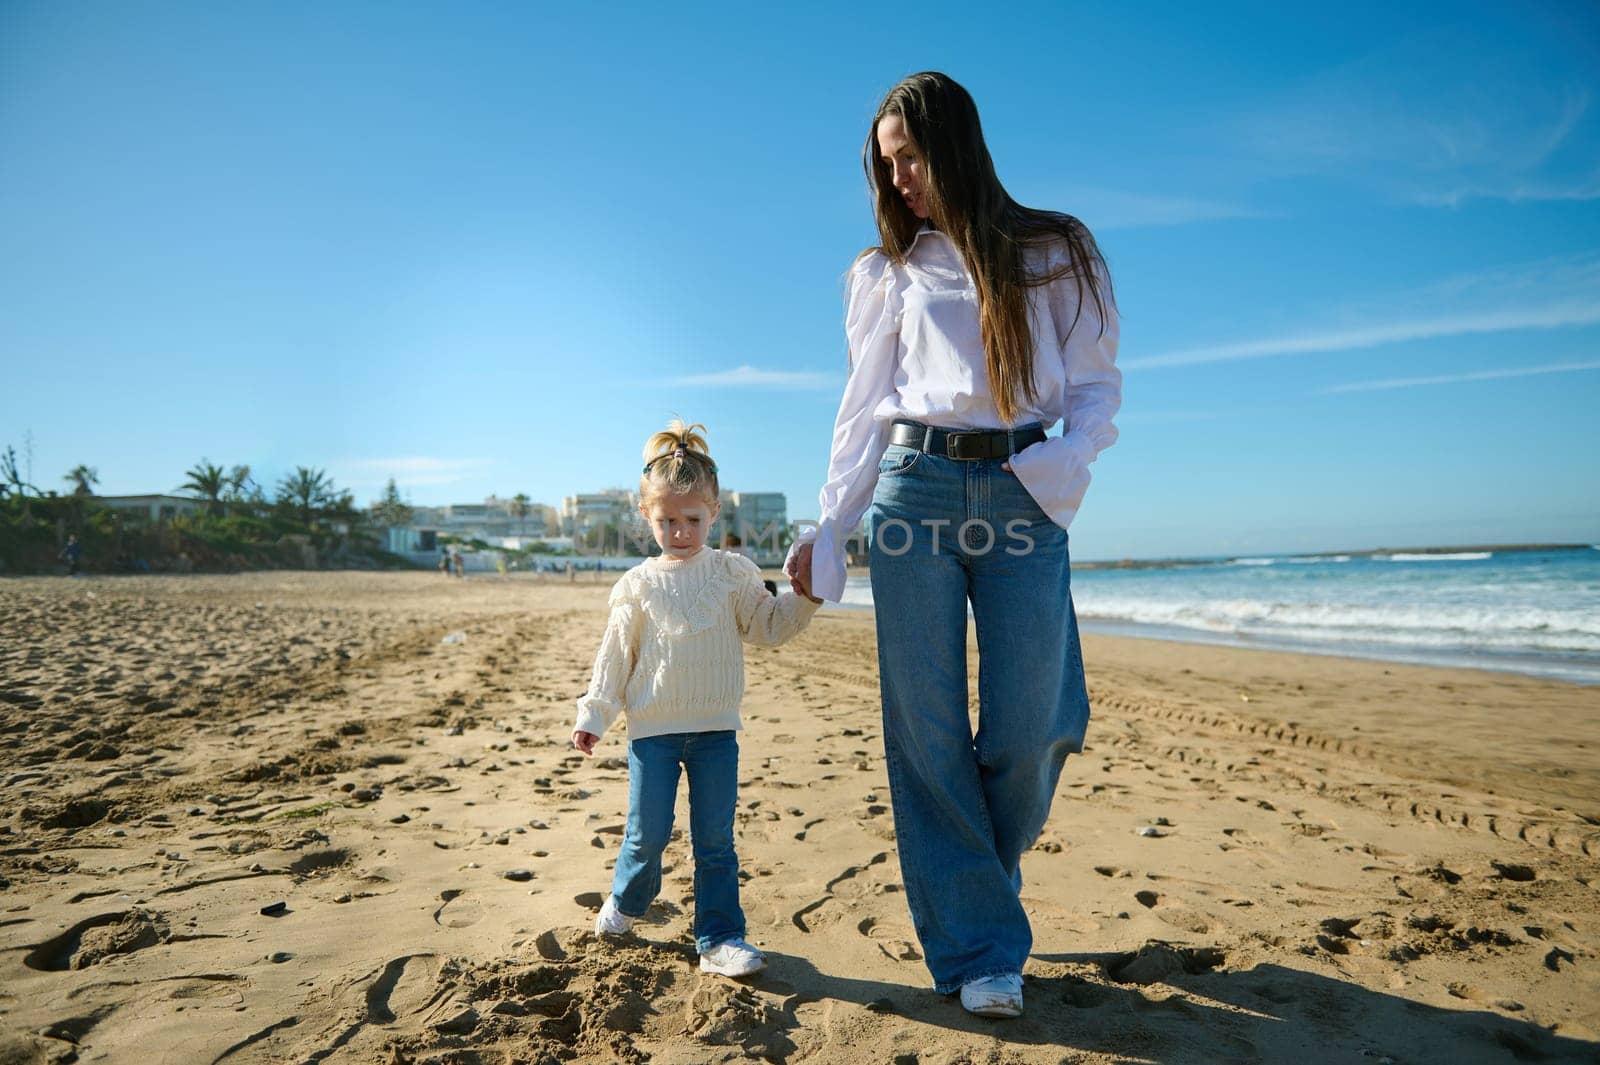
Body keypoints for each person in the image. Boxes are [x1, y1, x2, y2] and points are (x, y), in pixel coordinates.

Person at [784, 72, 1120, 1019]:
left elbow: (1096, 387)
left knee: (1036, 724)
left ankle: (971, 880)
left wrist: (1062, 466)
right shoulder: (886, 271)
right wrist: (831, 524)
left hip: (1023, 493)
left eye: (911, 158)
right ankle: (982, 949)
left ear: (956, 145)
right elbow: (862, 413)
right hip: (914, 491)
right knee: (925, 731)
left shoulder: (1056, 251)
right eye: (886, 166)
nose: (899, 181)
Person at [571, 420, 821, 978]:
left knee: (715, 842)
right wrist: (595, 715)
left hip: (715, 732)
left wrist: (807, 598)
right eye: (666, 521)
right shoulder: (635, 584)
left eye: (692, 520)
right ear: (646, 517)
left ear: (713, 513)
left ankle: (719, 939)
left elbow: (769, 627)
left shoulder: (732, 572)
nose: (680, 531)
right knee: (646, 833)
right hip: (651, 733)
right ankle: (627, 903)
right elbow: (615, 658)